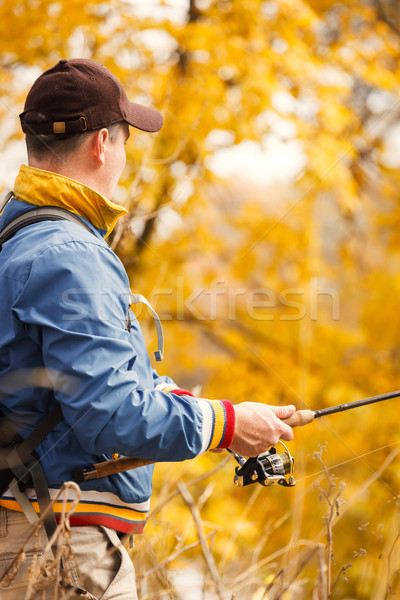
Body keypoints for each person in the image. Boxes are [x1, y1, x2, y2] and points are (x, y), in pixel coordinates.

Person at [0, 58, 295, 599]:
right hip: (60, 552)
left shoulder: (15, 239)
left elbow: (84, 389)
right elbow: (111, 416)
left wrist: (208, 415)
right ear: (101, 146)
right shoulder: (68, 255)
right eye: (127, 140)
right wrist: (226, 426)